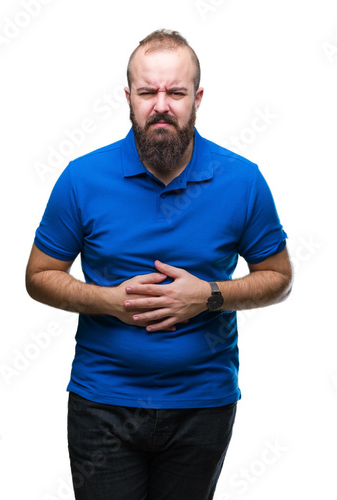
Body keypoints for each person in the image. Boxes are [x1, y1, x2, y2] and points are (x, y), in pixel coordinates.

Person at [26, 29, 292, 500]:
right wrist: (106, 301)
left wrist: (209, 296)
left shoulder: (243, 180)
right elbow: (39, 276)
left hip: (203, 406)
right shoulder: (82, 178)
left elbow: (279, 278)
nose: (162, 104)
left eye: (176, 92)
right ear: (129, 97)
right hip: (101, 403)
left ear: (198, 97)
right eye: (148, 92)